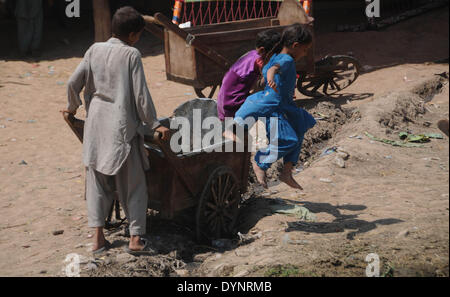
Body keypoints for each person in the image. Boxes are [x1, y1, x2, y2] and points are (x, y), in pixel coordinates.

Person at [63, 6, 170, 255]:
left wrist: (71, 108)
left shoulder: (94, 49)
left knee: (97, 183)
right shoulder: (131, 55)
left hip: (95, 126)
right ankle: (135, 240)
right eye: (140, 35)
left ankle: (98, 239)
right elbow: (141, 96)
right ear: (133, 35)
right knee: (133, 186)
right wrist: (155, 124)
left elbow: (72, 82)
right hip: (121, 128)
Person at [234, 23, 316, 190]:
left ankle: (287, 172)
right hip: (277, 107)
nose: (305, 54)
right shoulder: (286, 59)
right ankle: (260, 163)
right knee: (289, 140)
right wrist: (271, 75)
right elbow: (274, 69)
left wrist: (268, 78)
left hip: (286, 106)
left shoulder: (276, 55)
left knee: (299, 129)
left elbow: (269, 69)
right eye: (305, 50)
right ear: (296, 46)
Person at [217, 30, 281, 121]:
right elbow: (265, 82)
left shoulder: (252, 54)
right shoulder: (260, 61)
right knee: (272, 105)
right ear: (263, 50)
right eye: (275, 54)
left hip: (225, 102)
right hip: (233, 104)